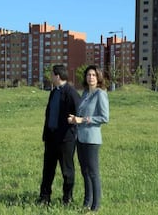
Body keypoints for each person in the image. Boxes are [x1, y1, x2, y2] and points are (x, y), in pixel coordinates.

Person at [68, 65, 109, 212]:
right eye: (88, 75)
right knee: (84, 171)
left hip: (92, 139)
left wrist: (83, 120)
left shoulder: (101, 94)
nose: (90, 77)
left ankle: (95, 206)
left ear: (98, 77)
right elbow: (80, 114)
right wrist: (75, 119)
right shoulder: (85, 93)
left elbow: (105, 118)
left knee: (93, 172)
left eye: (93, 75)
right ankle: (87, 202)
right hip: (80, 138)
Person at [38, 64, 81, 205]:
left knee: (67, 171)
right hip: (51, 138)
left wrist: (74, 122)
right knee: (48, 170)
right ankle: (44, 198)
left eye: (52, 74)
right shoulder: (53, 92)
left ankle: (67, 198)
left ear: (57, 76)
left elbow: (80, 111)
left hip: (65, 139)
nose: (50, 77)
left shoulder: (71, 92)